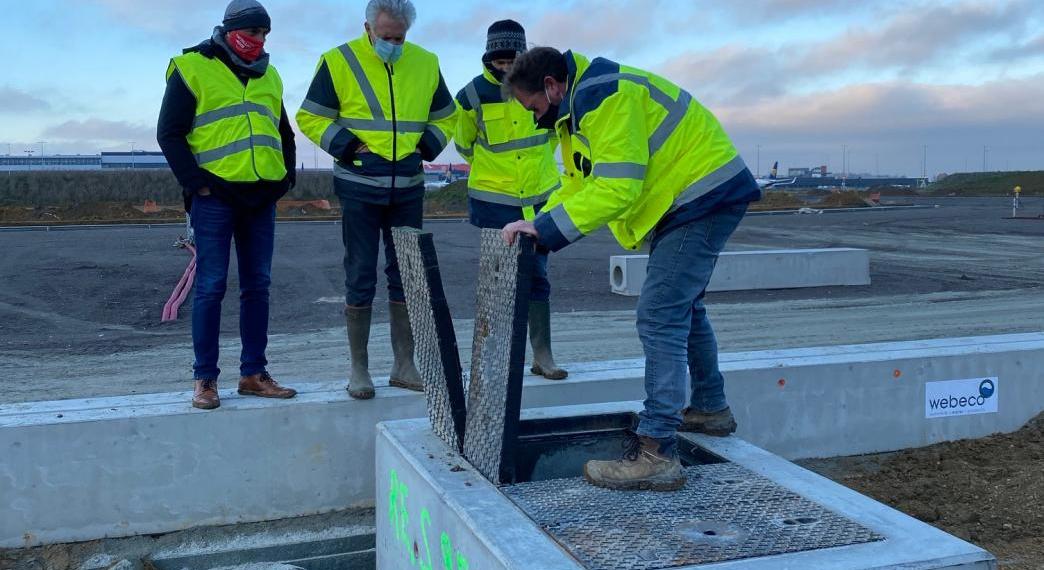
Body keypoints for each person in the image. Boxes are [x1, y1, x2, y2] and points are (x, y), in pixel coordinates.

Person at [501, 47, 761, 490]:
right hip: (689, 198)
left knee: (659, 312)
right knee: (683, 307)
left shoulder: (605, 97)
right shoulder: (576, 112)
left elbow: (618, 188)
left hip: (702, 194)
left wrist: (547, 231)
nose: (534, 117)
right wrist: (536, 223)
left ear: (551, 85)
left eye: (534, 107)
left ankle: (657, 451)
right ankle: (710, 409)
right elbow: (578, 184)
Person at [297, 0, 456, 400]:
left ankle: (404, 365)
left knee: (407, 274)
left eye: (399, 37)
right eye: (385, 37)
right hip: (359, 185)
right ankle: (359, 369)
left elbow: (446, 115)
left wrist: (426, 146)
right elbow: (311, 116)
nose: (392, 44)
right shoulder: (338, 61)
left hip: (408, 186)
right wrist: (350, 147)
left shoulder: (425, 62)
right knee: (360, 273)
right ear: (367, 28)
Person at [157, 0, 298, 410]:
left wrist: (286, 175)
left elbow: (283, 131)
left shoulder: (269, 74)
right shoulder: (192, 68)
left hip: (261, 197)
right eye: (253, 33)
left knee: (258, 287)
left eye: (265, 35)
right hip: (214, 196)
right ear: (231, 29)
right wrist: (195, 184)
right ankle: (205, 379)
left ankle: (253, 373)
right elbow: (169, 133)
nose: (259, 41)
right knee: (211, 287)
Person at [455, 20, 567, 380]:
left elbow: (552, 135)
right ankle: (499, 355)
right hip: (494, 202)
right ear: (488, 57)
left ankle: (542, 354)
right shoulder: (471, 96)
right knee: (498, 279)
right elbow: (463, 143)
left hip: (538, 199)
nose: (504, 67)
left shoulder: (540, 88)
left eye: (511, 60)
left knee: (537, 276)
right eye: (499, 60)